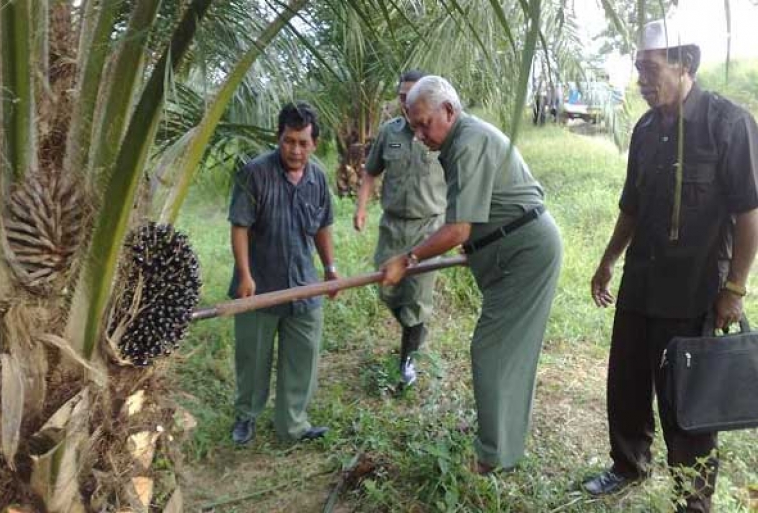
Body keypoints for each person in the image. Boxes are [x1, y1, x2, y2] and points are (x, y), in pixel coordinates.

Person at [583, 18, 758, 512]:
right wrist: (607, 261)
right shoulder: (645, 129)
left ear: (686, 64)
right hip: (641, 283)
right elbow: (631, 208)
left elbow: (750, 213)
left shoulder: (729, 123)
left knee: (687, 403)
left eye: (651, 68)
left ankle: (693, 499)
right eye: (639, 69)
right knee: (626, 382)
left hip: (695, 290)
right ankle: (628, 465)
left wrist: (735, 288)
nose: (643, 79)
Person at [381, 75, 562, 473]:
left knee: (492, 350)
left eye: (425, 123)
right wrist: (477, 238)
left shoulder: (467, 141)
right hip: (512, 247)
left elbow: (458, 227)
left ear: (448, 110)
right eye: (413, 127)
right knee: (506, 353)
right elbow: (480, 212)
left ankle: (493, 454)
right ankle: (499, 436)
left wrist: (407, 258)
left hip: (526, 254)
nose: (420, 135)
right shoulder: (460, 139)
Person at [228, 101, 338, 445]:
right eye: (289, 141)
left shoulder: (317, 177)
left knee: (301, 359)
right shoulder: (255, 173)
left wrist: (330, 269)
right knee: (253, 359)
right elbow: (240, 227)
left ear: (314, 144)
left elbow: (322, 227)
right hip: (260, 288)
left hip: (303, 286)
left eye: (303, 143)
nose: (296, 150)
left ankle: (293, 424)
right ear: (279, 138)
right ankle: (246, 416)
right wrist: (245, 275)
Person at [354, 70, 447, 387]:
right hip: (392, 227)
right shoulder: (388, 133)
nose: (406, 100)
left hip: (428, 228)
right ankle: (411, 327)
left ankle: (408, 358)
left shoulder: (438, 132)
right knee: (387, 287)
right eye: (402, 95)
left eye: (413, 94)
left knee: (417, 300)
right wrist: (362, 207)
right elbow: (370, 172)